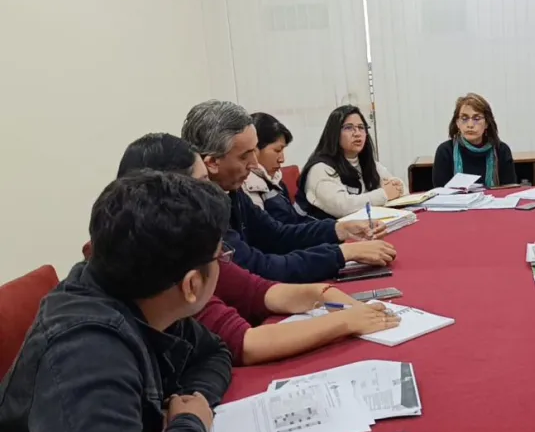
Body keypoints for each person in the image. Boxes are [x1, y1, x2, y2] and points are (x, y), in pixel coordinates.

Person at [0, 172, 233, 432]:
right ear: (192, 284)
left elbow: (214, 352)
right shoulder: (86, 350)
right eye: (221, 256)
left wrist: (189, 403)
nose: (224, 263)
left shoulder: (139, 292)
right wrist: (190, 426)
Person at [113, 133, 400, 365]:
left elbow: (256, 289)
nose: (255, 164)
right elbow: (243, 342)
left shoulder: (219, 209)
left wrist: (324, 294)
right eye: (202, 184)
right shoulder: (163, 269)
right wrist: (345, 321)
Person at [179, 101, 397, 283]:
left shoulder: (231, 192)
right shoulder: (198, 212)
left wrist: (339, 230)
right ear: (212, 162)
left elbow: (277, 234)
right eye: (245, 156)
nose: (254, 164)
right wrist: (341, 254)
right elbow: (259, 267)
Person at [297, 105, 408, 219]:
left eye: (361, 127)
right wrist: (383, 194)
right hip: (324, 228)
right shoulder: (320, 169)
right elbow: (342, 207)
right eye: (349, 128)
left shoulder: (366, 162)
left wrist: (397, 186)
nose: (357, 133)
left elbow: (400, 188)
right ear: (334, 133)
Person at [432, 93, 515, 188]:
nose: (470, 125)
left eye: (476, 118)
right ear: (457, 123)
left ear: (487, 123)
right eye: (464, 118)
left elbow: (510, 190)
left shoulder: (501, 150)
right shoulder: (445, 151)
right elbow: (440, 192)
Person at [243, 112, 311, 224]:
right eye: (277, 150)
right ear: (255, 149)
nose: (282, 159)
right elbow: (273, 231)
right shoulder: (247, 187)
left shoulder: (275, 179)